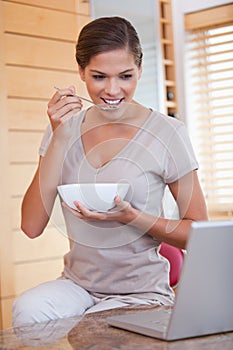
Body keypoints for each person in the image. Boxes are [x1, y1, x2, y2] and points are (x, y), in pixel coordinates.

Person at [12, 16, 208, 326]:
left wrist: (132, 217)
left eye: (126, 76)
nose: (112, 90)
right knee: (29, 308)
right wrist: (60, 138)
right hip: (77, 285)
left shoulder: (168, 133)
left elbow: (198, 233)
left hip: (140, 291)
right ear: (81, 72)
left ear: (140, 70)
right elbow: (31, 226)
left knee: (98, 325)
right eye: (99, 76)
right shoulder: (61, 129)